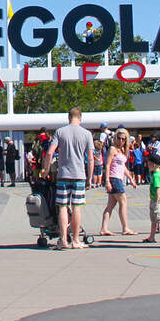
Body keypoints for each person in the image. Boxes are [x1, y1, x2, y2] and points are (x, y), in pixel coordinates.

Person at [42, 107, 95, 250]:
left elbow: (49, 153)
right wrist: (90, 178)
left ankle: (63, 239)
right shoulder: (87, 134)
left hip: (63, 175)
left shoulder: (60, 132)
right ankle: (76, 240)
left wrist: (46, 170)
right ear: (81, 117)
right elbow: (90, 158)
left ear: (68, 117)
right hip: (79, 175)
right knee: (77, 207)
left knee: (62, 207)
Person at [99, 130, 138, 236]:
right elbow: (107, 165)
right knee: (123, 201)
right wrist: (107, 181)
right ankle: (125, 228)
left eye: (124, 139)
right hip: (114, 178)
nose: (121, 141)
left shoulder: (121, 150)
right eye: (119, 138)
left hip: (118, 178)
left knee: (110, 205)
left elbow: (123, 167)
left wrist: (131, 178)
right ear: (115, 138)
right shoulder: (112, 149)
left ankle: (104, 228)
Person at [144, 153, 160, 242]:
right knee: (154, 220)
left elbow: (158, 189)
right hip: (155, 199)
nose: (147, 165)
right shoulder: (158, 173)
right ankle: (151, 237)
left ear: (153, 164)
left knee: (159, 218)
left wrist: (156, 202)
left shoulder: (156, 176)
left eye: (149, 163)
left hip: (158, 200)